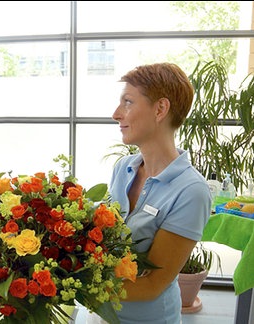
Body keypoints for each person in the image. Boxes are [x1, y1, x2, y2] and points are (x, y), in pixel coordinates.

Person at [88, 63, 212, 324]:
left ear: (160, 109)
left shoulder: (191, 191)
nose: (116, 114)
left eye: (128, 102)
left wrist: (69, 286)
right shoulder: (124, 168)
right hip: (106, 314)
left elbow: (152, 284)